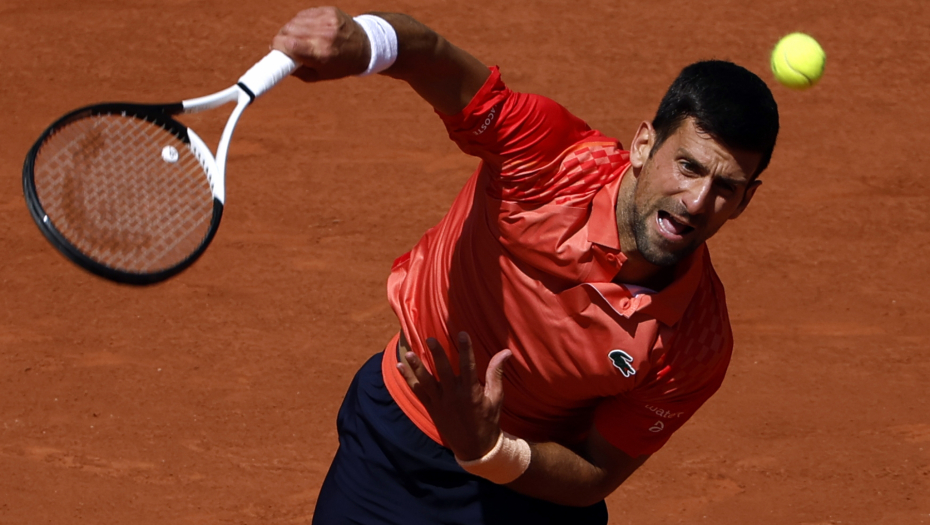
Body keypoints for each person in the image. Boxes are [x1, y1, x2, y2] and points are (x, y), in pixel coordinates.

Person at [271, 7, 779, 524]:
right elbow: (438, 61)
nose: (697, 201)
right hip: (396, 448)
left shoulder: (697, 342)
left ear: (746, 200)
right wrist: (365, 40)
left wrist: (489, 449)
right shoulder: (552, 160)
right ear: (644, 145)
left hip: (531, 489)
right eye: (688, 166)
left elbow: (597, 473)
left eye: (726, 187)